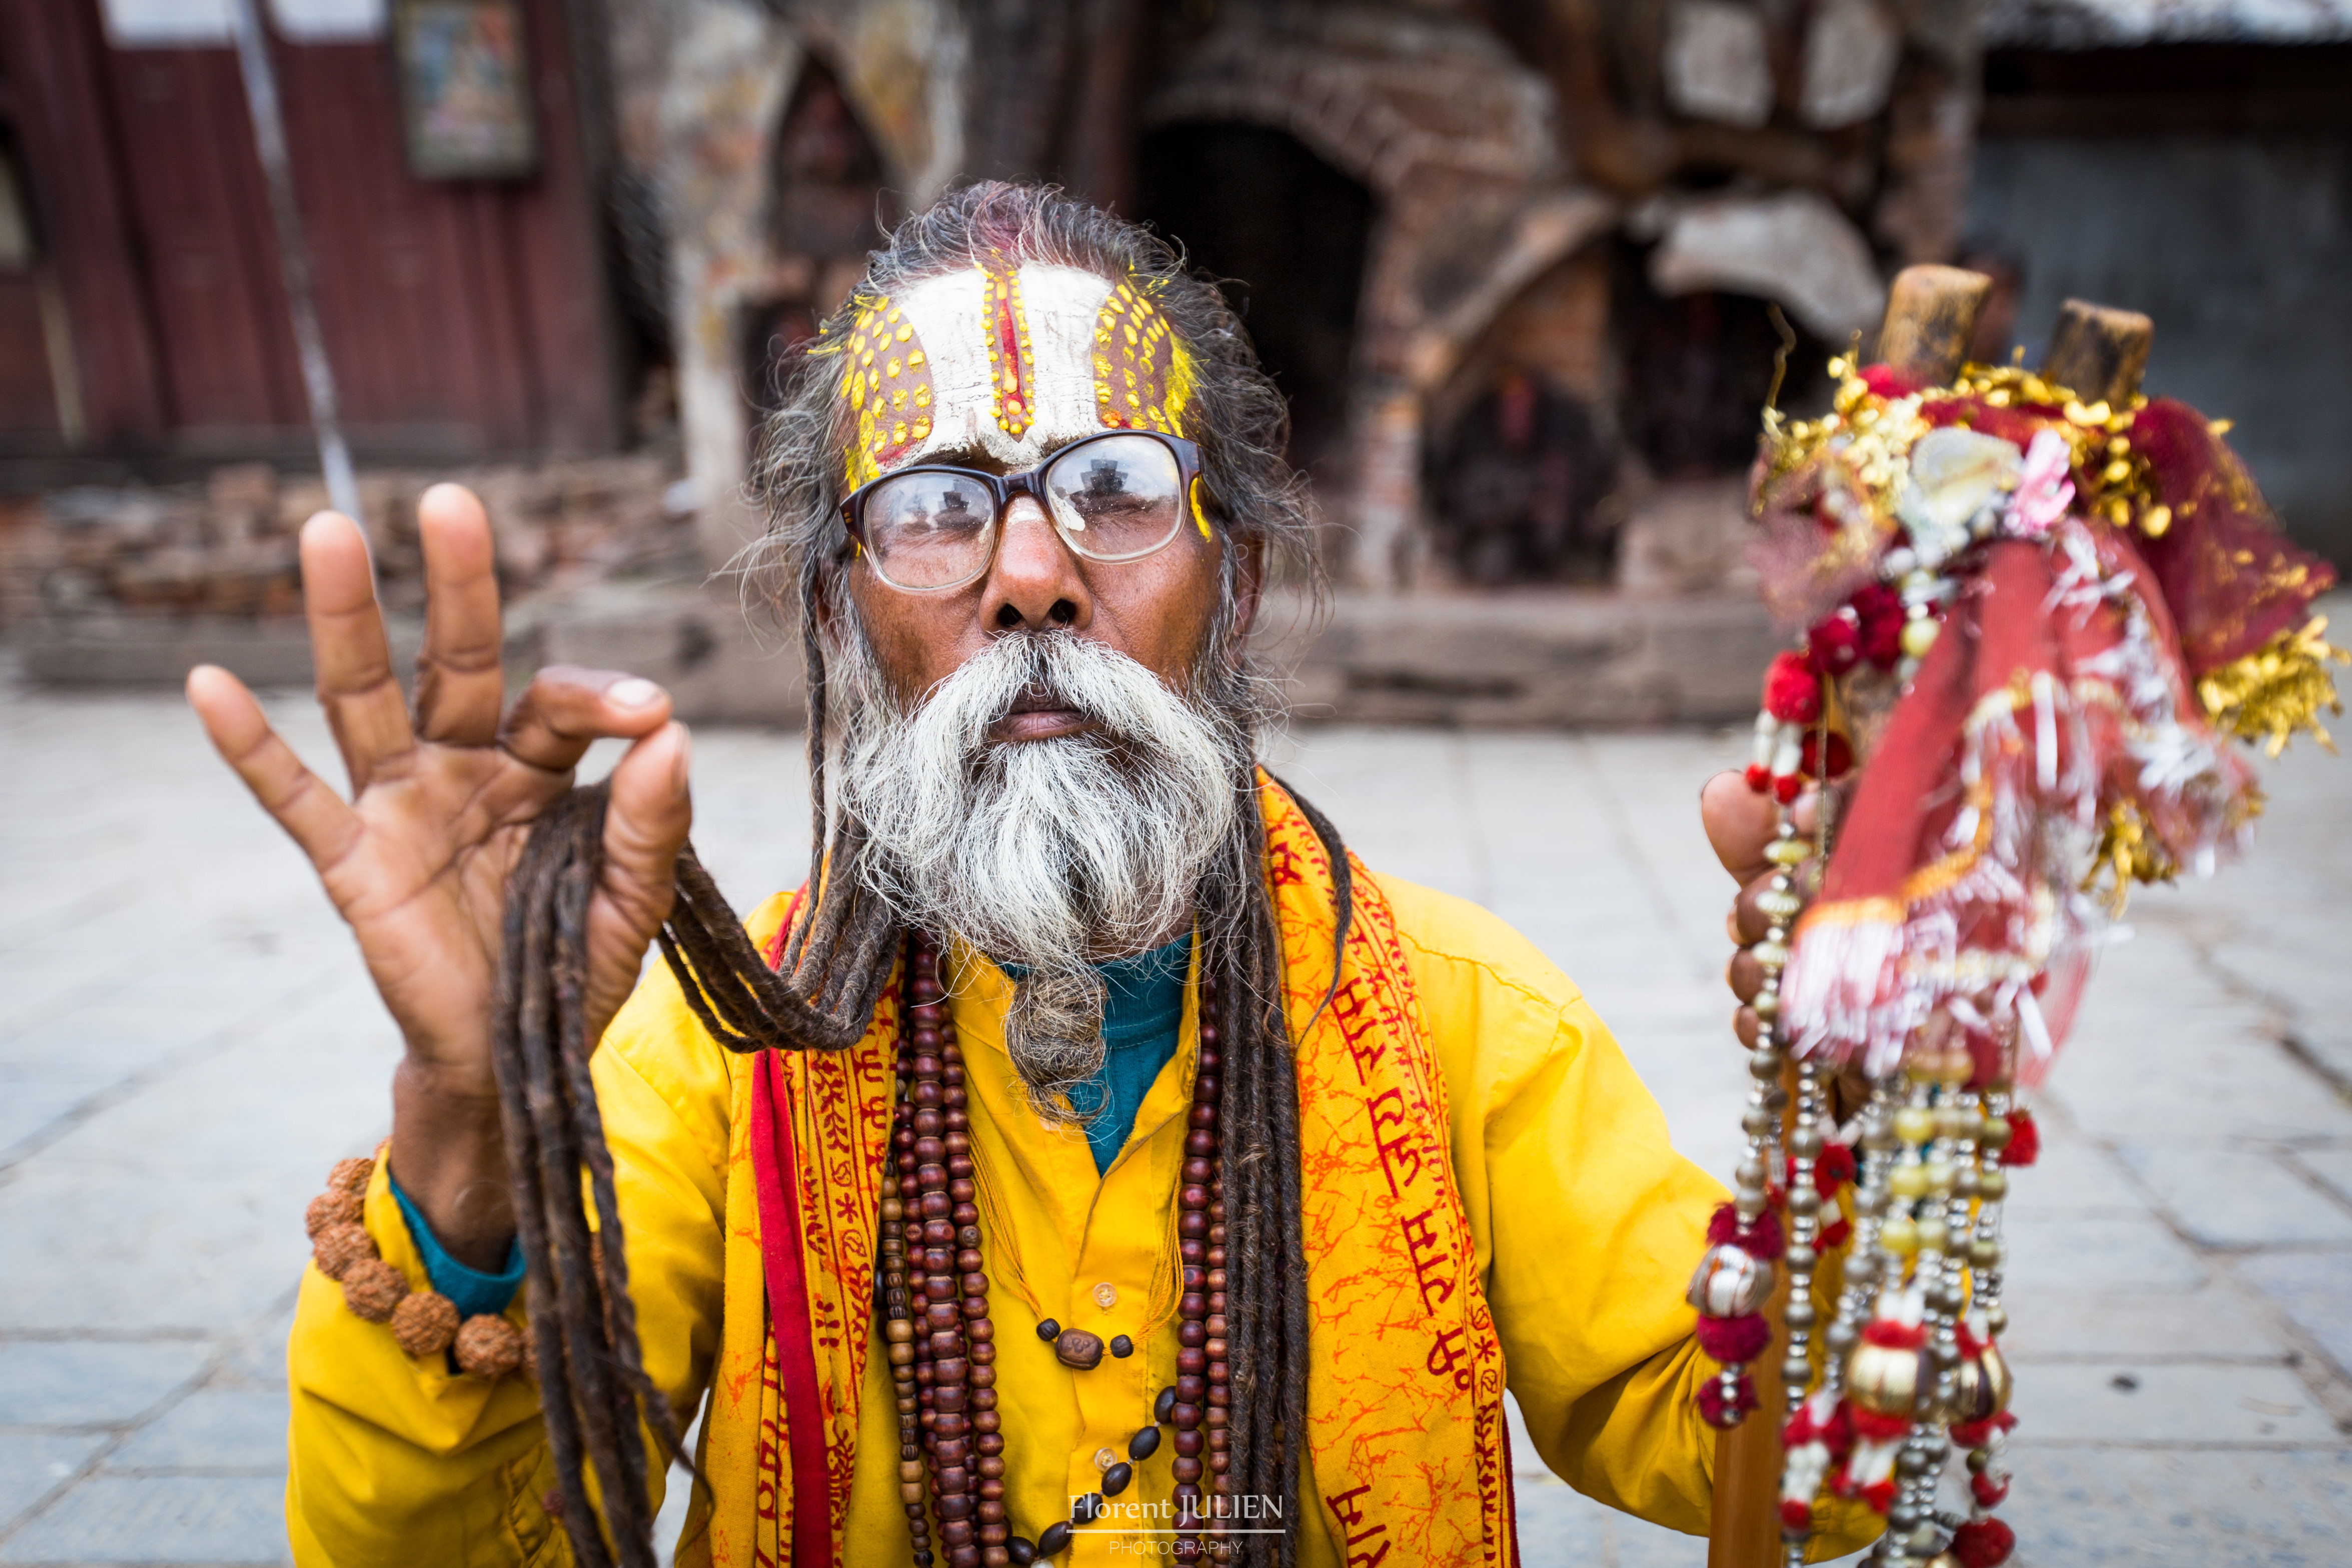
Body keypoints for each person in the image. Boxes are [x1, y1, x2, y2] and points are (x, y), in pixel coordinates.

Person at [188, 184, 1862, 1567]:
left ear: (1242, 578)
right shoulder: (717, 1057)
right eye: (936, 509)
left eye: (1117, 490)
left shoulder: (1459, 1019)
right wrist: (476, 1124)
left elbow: (1798, 1464)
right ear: (846, 608)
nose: (1035, 579)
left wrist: (1889, 1100)